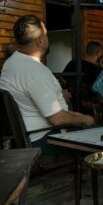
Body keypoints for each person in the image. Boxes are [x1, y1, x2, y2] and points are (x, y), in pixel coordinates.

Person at [0, 15, 94, 155]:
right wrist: (85, 119)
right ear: (40, 40)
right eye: (46, 34)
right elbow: (57, 119)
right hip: (43, 138)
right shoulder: (34, 70)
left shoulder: (10, 63)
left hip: (24, 136)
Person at [63, 41, 103, 114]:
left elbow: (63, 81)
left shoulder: (72, 63)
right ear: (98, 53)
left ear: (86, 51)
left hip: (69, 106)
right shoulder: (98, 71)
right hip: (89, 109)